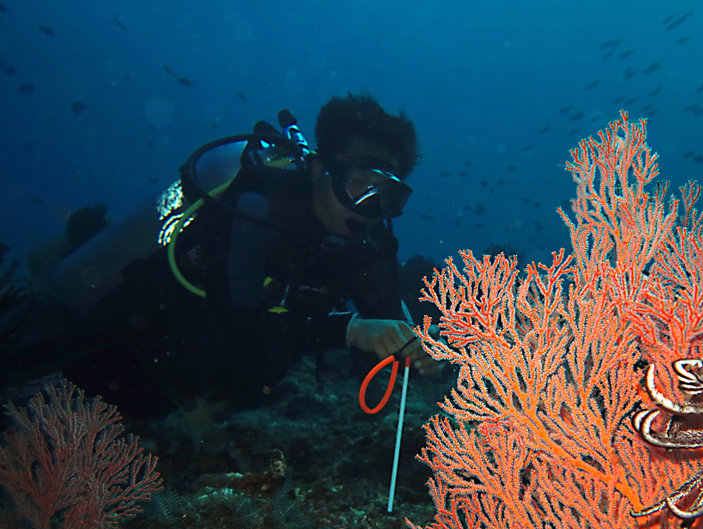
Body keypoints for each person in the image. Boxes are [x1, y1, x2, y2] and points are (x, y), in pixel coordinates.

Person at [12, 93, 440, 414]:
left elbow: (385, 329)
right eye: (360, 185)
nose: (370, 209)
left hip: (211, 399)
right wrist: (350, 330)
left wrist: (418, 350)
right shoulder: (257, 208)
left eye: (387, 196)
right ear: (318, 169)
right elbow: (231, 331)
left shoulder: (369, 244)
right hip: (127, 350)